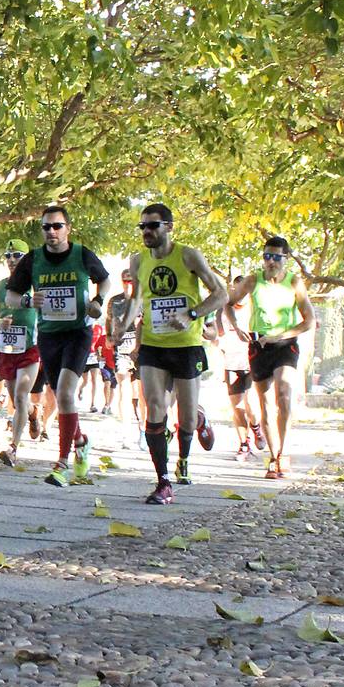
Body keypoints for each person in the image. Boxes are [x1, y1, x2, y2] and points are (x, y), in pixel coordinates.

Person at [117, 203, 226, 504]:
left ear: (169, 227)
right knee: (154, 407)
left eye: (152, 225)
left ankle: (186, 453)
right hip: (153, 343)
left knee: (186, 418)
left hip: (187, 345)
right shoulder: (138, 261)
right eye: (142, 227)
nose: (146, 232)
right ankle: (163, 481)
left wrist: (192, 313)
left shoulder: (189, 255)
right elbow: (137, 300)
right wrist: (122, 329)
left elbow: (221, 294)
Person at [4, 205, 111, 487]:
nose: (52, 231)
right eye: (46, 227)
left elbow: (105, 280)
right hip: (49, 335)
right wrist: (28, 301)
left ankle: (62, 464)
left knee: (64, 392)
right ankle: (80, 440)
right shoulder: (33, 260)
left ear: (68, 228)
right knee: (61, 396)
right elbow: (11, 296)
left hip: (78, 333)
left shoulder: (81, 254)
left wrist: (98, 302)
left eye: (57, 226)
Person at [227, 237, 315, 479]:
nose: (271, 262)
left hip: (285, 345)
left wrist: (282, 335)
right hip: (259, 346)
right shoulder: (253, 280)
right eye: (267, 256)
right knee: (265, 405)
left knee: (284, 394)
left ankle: (284, 454)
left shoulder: (294, 282)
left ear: (286, 259)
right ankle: (273, 457)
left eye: (276, 257)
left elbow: (309, 321)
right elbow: (228, 303)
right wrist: (236, 326)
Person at [0, 239, 41, 466]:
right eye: (8, 256)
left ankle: (13, 448)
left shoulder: (36, 285)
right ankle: (34, 414)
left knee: (22, 396)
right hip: (6, 351)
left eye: (17, 255)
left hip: (30, 349)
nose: (12, 260)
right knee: (17, 401)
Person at [218, 279, 265, 461]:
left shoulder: (254, 309)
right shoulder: (224, 309)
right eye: (236, 289)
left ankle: (256, 428)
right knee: (236, 407)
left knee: (251, 405)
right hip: (231, 363)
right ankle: (243, 443)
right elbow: (217, 333)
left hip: (250, 361)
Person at [107, 269, 144, 447]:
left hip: (141, 349)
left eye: (131, 281)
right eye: (125, 281)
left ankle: (144, 429)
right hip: (121, 348)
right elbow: (109, 320)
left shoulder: (143, 299)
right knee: (123, 388)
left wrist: (139, 346)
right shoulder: (115, 301)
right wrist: (108, 336)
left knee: (142, 391)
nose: (128, 284)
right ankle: (125, 431)